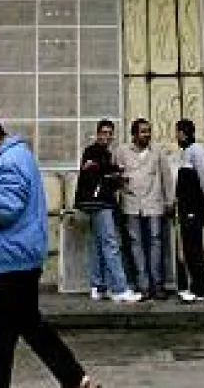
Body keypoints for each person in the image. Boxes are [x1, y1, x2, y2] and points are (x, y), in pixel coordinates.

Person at [0, 117, 100, 388]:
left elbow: (6, 209)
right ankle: (76, 379)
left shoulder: (8, 162)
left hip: (7, 261)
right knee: (30, 326)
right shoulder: (20, 156)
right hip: (22, 258)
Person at [75, 119, 141, 302]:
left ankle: (98, 286)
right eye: (104, 132)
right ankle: (119, 288)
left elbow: (102, 173)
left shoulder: (103, 153)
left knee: (98, 244)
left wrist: (113, 174)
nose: (107, 136)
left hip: (96, 203)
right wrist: (116, 175)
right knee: (111, 243)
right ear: (97, 134)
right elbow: (96, 173)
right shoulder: (93, 152)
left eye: (110, 133)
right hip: (99, 203)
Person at [115, 118, 173, 299]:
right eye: (143, 131)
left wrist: (169, 200)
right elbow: (116, 176)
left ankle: (157, 284)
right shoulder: (122, 151)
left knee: (156, 242)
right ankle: (143, 285)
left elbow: (167, 177)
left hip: (153, 203)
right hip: (131, 204)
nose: (146, 135)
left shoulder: (158, 152)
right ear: (134, 134)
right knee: (135, 244)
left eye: (148, 131)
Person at [173, 118, 204, 303]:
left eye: (178, 133)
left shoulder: (196, 150)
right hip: (186, 208)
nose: (177, 137)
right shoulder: (186, 152)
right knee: (189, 248)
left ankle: (198, 290)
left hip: (193, 208)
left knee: (194, 247)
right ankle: (194, 287)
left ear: (183, 133)